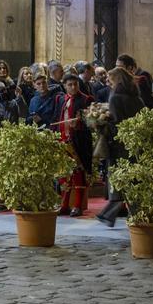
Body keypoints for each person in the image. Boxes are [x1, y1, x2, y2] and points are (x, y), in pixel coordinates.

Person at [96, 67, 145, 227]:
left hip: (119, 145)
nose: (109, 84)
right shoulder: (136, 97)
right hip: (135, 143)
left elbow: (117, 123)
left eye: (110, 80)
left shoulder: (115, 98)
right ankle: (134, 214)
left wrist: (103, 121)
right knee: (132, 179)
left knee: (118, 179)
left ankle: (110, 214)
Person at [54, 73, 92, 217]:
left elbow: (91, 122)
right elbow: (56, 118)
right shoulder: (61, 99)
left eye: (75, 84)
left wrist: (79, 123)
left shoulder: (86, 99)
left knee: (78, 173)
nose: (73, 87)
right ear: (64, 86)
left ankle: (77, 206)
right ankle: (64, 204)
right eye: (69, 85)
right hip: (62, 141)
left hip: (78, 142)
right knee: (64, 174)